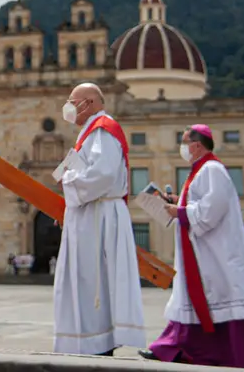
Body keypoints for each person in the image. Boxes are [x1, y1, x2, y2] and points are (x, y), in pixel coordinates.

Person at [141, 125, 244, 369]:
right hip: (201, 251)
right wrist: (176, 202)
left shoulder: (212, 170)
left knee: (216, 301)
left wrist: (180, 211)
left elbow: (211, 211)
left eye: (184, 142)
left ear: (196, 145)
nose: (182, 148)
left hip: (216, 255)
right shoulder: (199, 171)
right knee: (192, 300)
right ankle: (171, 348)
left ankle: (187, 351)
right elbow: (201, 203)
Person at [53, 82, 145, 356]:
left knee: (93, 281)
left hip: (98, 216)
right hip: (88, 214)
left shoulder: (103, 130)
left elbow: (102, 175)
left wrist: (68, 183)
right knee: (86, 280)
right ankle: (87, 339)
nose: (68, 106)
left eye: (72, 100)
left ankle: (98, 341)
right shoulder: (89, 132)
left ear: (88, 103)